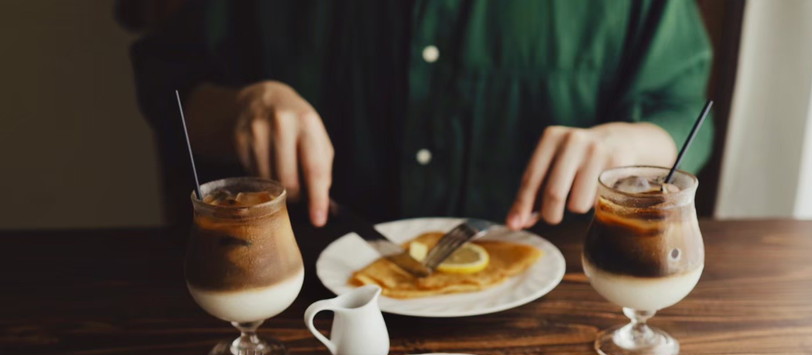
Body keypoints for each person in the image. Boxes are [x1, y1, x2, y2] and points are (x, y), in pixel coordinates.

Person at [127, 0, 713, 230]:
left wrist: (624, 145)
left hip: (559, 300)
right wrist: (240, 109)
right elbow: (168, 89)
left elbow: (684, 112)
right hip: (305, 297)